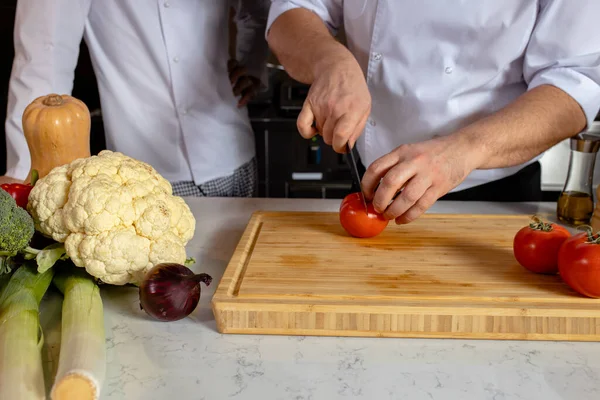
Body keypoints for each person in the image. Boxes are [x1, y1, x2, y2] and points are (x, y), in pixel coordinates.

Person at [266, 1, 600, 223]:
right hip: (369, 182)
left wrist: (466, 149)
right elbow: (292, 10)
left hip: (491, 194)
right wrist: (329, 60)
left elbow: (575, 81)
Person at [2, 0, 270, 198]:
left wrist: (252, 65)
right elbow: (44, 58)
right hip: (144, 177)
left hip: (234, 151)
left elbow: (257, 9)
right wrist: (25, 182)